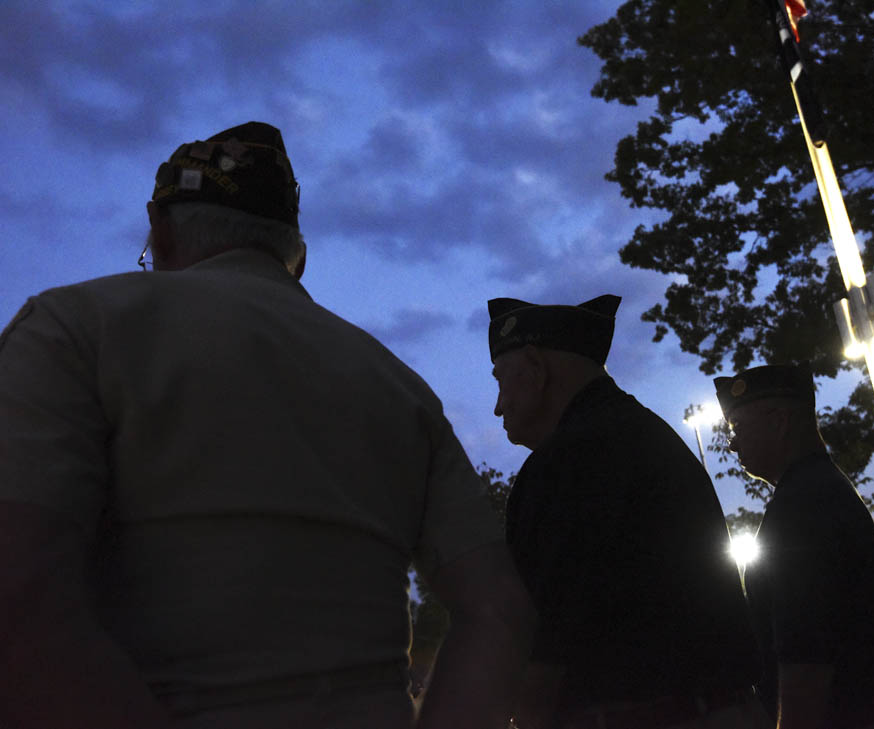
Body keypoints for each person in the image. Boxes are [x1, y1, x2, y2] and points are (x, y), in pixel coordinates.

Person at [0, 121, 534, 729]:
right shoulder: (399, 387)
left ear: (161, 231)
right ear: (295, 257)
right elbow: (498, 612)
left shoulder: (73, 328)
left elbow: (18, 594)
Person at [488, 295, 769, 729]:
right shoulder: (646, 438)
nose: (498, 405)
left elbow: (541, 645)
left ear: (534, 366)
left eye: (501, 382)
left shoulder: (566, 462)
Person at [714, 363, 874, 729]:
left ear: (779, 421)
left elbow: (806, 657)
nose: (732, 443)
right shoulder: (823, 489)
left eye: (737, 427)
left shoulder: (800, 507)